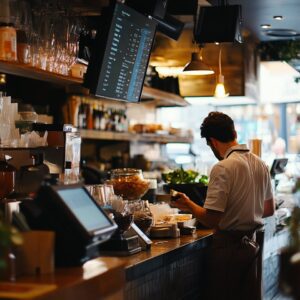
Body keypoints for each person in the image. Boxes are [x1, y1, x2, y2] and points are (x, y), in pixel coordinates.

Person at [171, 112, 275, 300]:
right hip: (252, 246)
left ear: (213, 142)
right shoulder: (261, 164)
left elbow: (211, 219)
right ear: (234, 133)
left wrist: (188, 204)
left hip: (229, 250)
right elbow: (269, 210)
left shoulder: (223, 167)